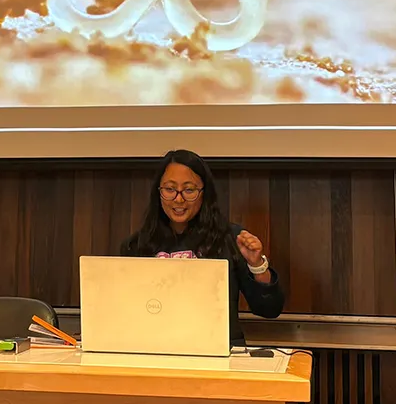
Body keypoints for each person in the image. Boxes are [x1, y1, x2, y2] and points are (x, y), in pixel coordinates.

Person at [121, 148, 284, 345]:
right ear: (158, 192)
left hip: (218, 356)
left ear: (204, 194)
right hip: (156, 351)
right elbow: (126, 314)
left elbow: (269, 309)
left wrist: (257, 265)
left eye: (189, 190)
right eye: (170, 189)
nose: (179, 199)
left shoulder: (230, 239)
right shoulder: (137, 246)